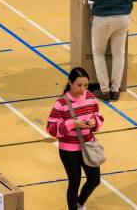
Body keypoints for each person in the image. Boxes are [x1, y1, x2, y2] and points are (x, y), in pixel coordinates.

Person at [46, 67, 103, 210]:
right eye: (79, 85)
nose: (82, 89)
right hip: (69, 150)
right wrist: (72, 123)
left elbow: (98, 115)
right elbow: (51, 128)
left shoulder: (90, 97)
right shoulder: (61, 103)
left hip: (88, 144)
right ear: (70, 83)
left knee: (94, 180)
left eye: (85, 85)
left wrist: (94, 122)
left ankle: (79, 203)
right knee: (75, 182)